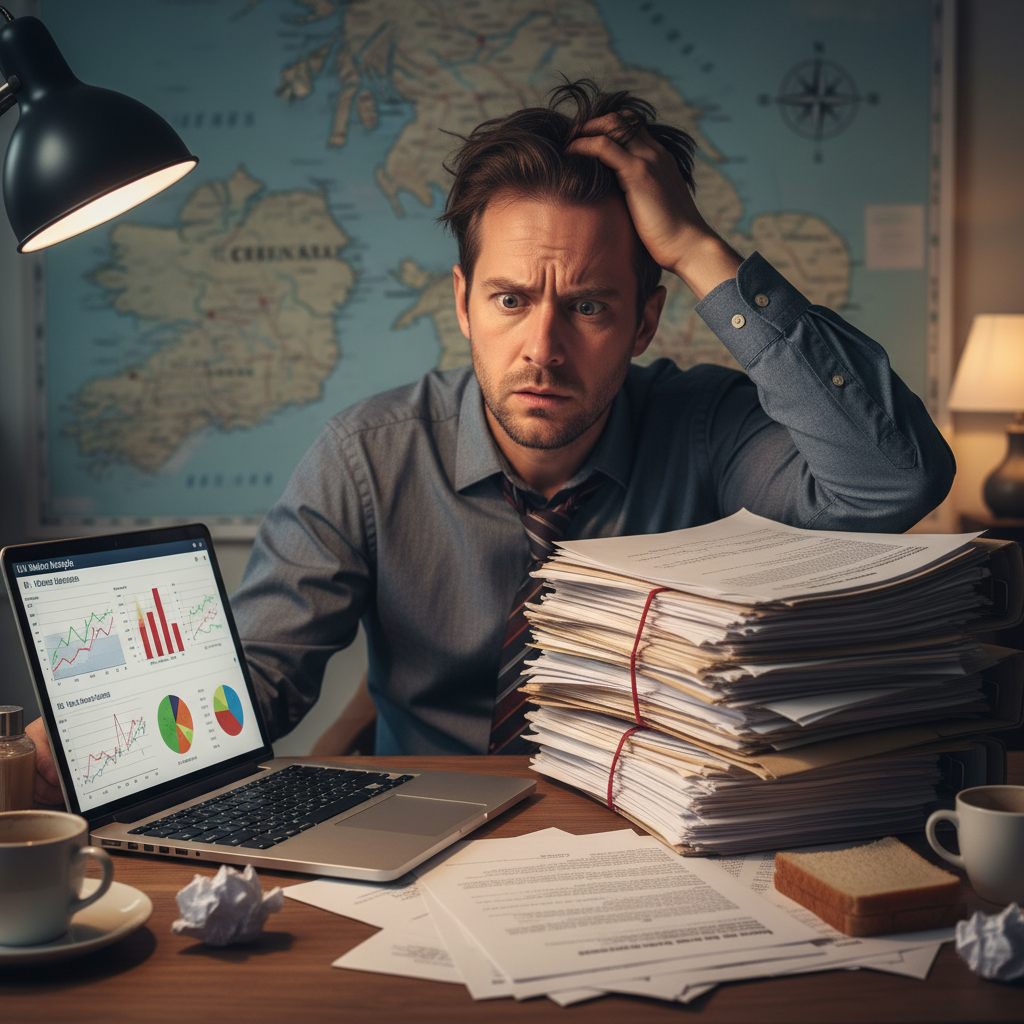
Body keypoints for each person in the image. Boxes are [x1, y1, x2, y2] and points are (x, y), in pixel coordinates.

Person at [27, 80, 954, 796]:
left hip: (651, 838)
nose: (543, 348)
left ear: (643, 323)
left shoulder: (705, 427)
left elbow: (890, 483)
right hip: (419, 827)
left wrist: (699, 247)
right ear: (465, 305)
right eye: (512, 300)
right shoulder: (368, 456)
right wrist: (105, 749)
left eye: (588, 306)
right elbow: (262, 678)